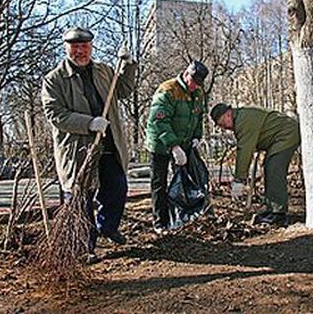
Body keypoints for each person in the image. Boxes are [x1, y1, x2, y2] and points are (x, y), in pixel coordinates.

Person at [42, 27, 137, 261]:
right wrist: (89, 123)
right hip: (78, 150)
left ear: (91, 47)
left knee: (117, 188)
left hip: (108, 144)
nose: (80, 51)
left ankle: (108, 227)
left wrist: (128, 64)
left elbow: (123, 90)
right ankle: (84, 248)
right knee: (80, 198)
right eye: (75, 47)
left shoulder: (104, 71)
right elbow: (55, 114)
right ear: (67, 48)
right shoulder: (54, 80)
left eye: (84, 46)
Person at [210, 103, 300, 226]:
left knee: (274, 169)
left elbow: (244, 151)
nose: (224, 128)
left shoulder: (243, 121)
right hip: (281, 136)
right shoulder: (241, 118)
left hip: (287, 134)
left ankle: (278, 214)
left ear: (228, 114)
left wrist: (239, 180)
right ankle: (271, 209)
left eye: (222, 124)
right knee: (270, 168)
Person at [145, 60, 209, 234]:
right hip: (160, 145)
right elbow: (159, 120)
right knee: (159, 182)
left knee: (182, 181)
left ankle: (178, 217)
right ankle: (160, 222)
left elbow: (199, 117)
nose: (195, 86)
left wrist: (196, 137)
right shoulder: (168, 90)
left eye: (199, 84)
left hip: (184, 143)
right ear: (186, 74)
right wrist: (173, 146)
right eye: (193, 82)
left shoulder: (198, 92)